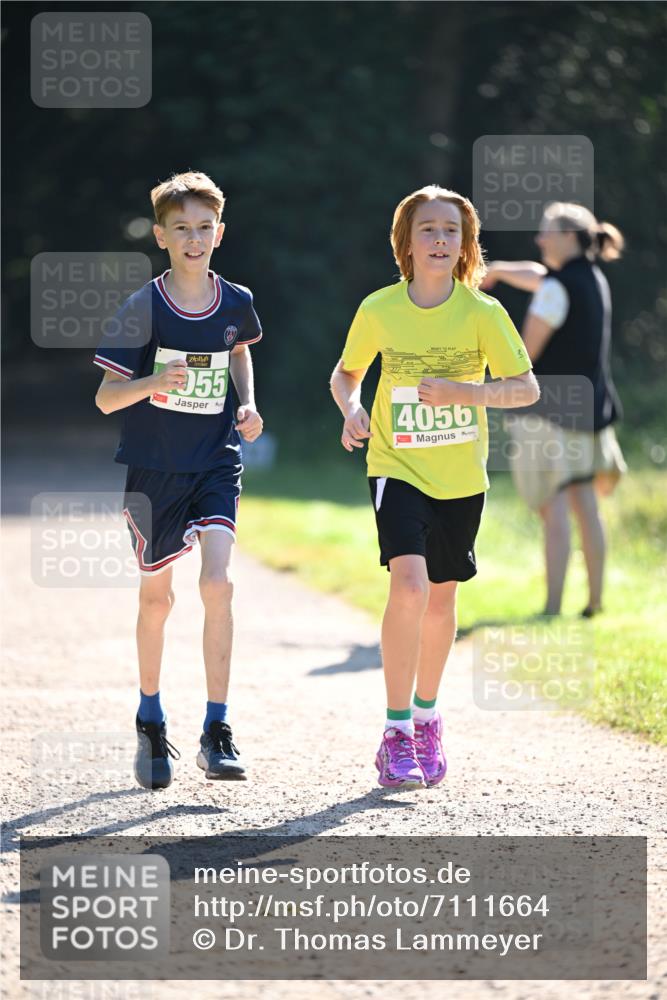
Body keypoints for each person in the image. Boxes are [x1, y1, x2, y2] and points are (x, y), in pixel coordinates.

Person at [330, 185, 539, 789]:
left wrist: (466, 394)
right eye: (428, 229)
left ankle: (426, 716)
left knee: (443, 599)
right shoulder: (379, 309)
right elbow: (347, 375)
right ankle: (395, 731)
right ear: (408, 241)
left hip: (461, 475)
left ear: (466, 243)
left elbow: (525, 389)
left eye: (452, 230)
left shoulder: (483, 313)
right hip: (396, 465)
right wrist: (351, 410)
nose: (440, 239)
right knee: (410, 584)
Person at [94, 171, 263, 789]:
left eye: (204, 228)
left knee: (218, 585)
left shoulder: (237, 300)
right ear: (161, 236)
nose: (194, 239)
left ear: (220, 232)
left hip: (216, 458)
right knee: (158, 599)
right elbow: (107, 399)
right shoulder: (144, 307)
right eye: (181, 229)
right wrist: (151, 385)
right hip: (154, 471)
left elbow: (239, 349)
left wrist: (246, 404)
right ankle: (150, 720)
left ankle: (216, 729)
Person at [482, 202, 627, 617]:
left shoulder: (554, 289)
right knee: (585, 501)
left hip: (549, 416)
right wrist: (500, 270)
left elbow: (523, 356)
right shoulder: (592, 278)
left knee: (554, 503)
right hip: (590, 411)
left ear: (568, 237)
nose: (540, 238)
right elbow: (540, 275)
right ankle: (595, 602)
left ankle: (551, 607)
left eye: (547, 231)